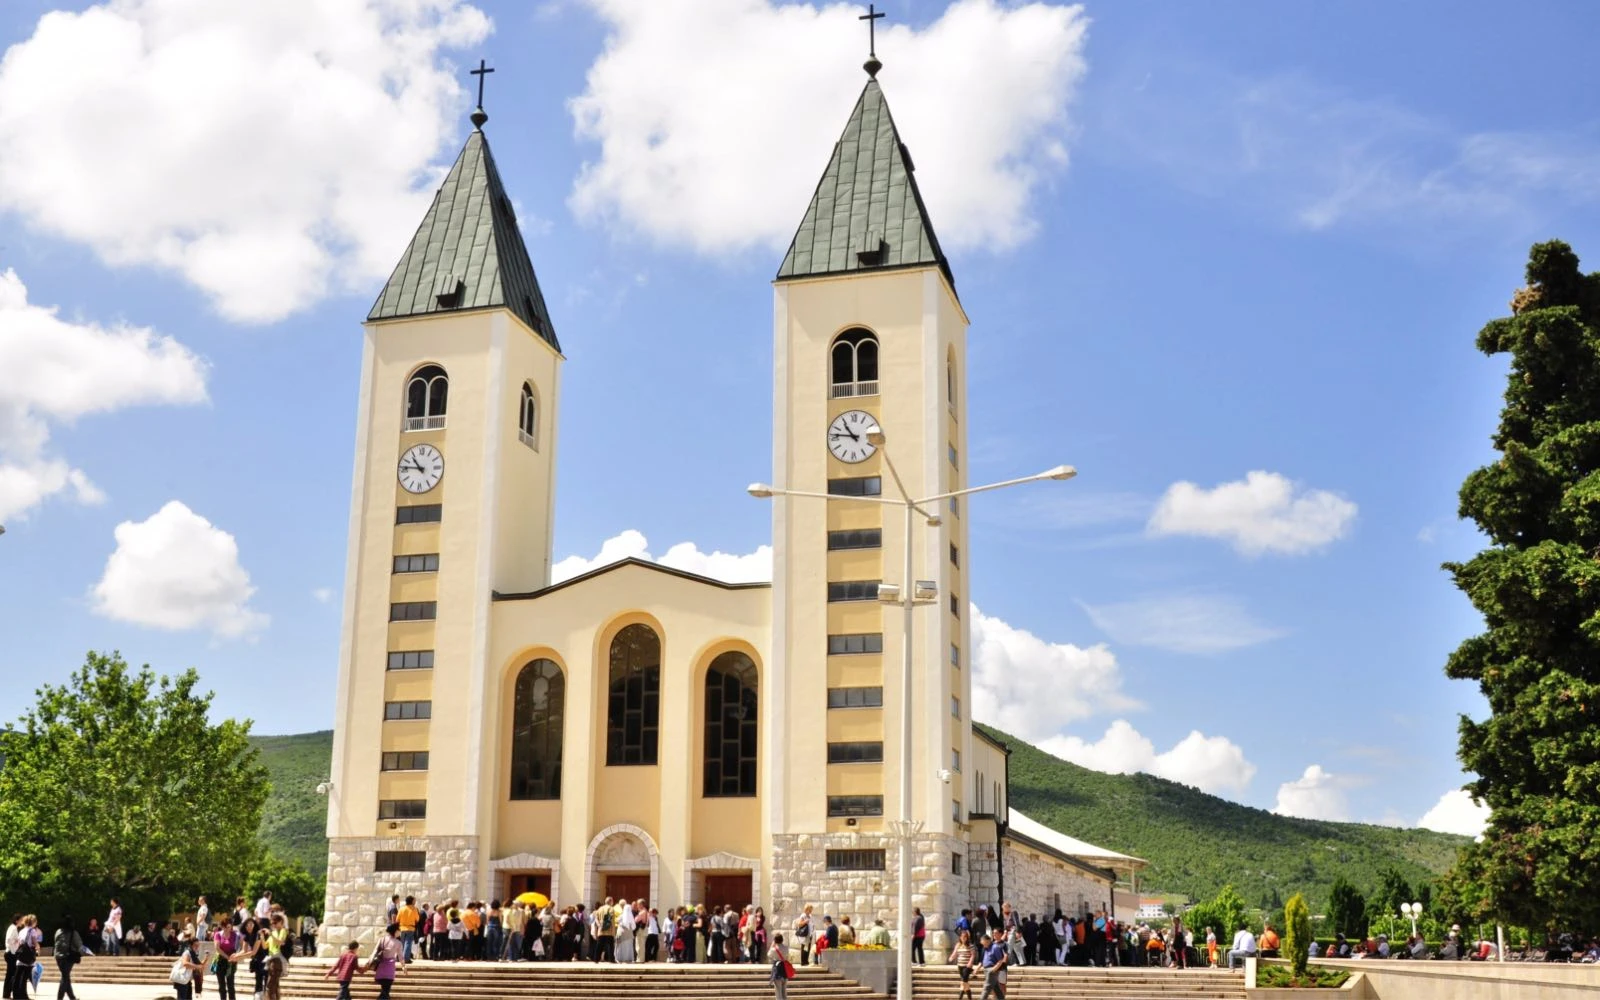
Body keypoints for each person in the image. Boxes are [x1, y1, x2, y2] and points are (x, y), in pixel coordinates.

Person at [369, 924, 404, 1000]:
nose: (400, 932)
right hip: (389, 970)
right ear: (395, 931)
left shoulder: (382, 939)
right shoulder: (398, 943)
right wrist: (404, 967)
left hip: (381, 968)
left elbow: (375, 951)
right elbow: (400, 956)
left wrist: (370, 961)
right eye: (399, 930)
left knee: (385, 990)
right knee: (385, 991)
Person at [53, 916, 83, 1000]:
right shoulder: (73, 933)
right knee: (65, 977)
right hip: (68, 957)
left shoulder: (58, 931)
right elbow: (79, 945)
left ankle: (72, 997)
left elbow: (55, 941)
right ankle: (59, 998)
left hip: (58, 957)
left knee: (65, 976)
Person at [211, 917, 240, 1000]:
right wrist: (227, 957)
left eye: (230, 927)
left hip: (231, 961)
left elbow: (238, 946)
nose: (229, 929)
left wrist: (236, 955)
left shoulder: (234, 934)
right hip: (221, 960)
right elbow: (217, 948)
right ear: (223, 927)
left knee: (231, 985)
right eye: (227, 927)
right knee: (221, 986)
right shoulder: (218, 934)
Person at [172, 933, 204, 1000]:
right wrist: (197, 967)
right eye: (195, 945)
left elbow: (201, 965)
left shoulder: (193, 954)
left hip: (187, 980)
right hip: (182, 980)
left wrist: (207, 958)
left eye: (198, 945)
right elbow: (185, 964)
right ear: (190, 945)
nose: (197, 947)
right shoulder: (187, 953)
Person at [950, 929, 977, 1000]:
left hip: (967, 967)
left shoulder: (970, 946)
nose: (963, 938)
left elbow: (973, 955)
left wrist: (970, 963)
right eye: (962, 937)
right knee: (966, 983)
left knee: (963, 982)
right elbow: (955, 953)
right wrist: (951, 957)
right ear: (960, 937)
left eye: (965, 937)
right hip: (960, 966)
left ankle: (960, 998)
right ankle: (970, 998)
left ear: (967, 937)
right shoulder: (958, 945)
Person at [979, 933, 1008, 1000]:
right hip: (987, 970)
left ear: (987, 941)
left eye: (983, 943)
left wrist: (994, 969)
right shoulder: (986, 948)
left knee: (986, 988)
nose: (982, 944)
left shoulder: (995, 947)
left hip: (992, 970)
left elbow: (1000, 960)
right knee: (997, 989)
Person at [769, 933, 792, 1000]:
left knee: (778, 991)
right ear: (782, 940)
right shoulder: (786, 948)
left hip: (777, 970)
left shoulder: (774, 949)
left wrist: (772, 945)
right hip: (785, 970)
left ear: (775, 940)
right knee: (784, 991)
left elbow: (769, 955)